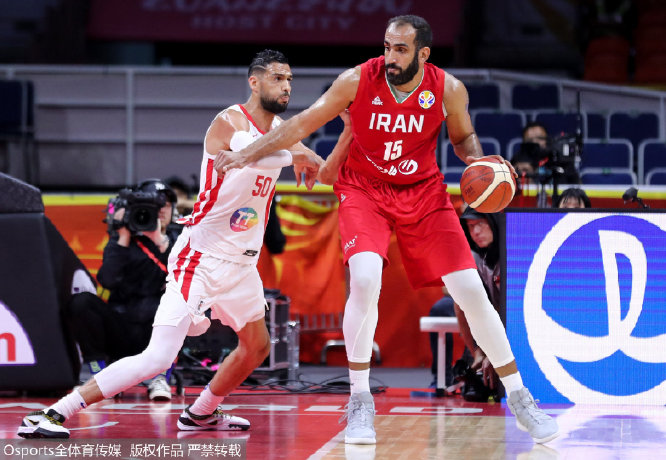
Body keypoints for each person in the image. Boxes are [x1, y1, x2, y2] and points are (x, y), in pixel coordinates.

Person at [214, 15, 560, 445]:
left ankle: (521, 397)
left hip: (424, 191)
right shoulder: (357, 79)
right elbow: (302, 123)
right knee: (364, 280)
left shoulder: (449, 89)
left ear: (423, 53)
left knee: (471, 289)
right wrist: (246, 155)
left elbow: (463, 138)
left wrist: (479, 161)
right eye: (386, 47)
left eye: (400, 49)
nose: (390, 56)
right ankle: (360, 401)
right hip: (365, 189)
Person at [17, 49, 323, 439]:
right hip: (202, 257)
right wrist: (295, 150)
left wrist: (341, 132)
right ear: (255, 81)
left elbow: (317, 164)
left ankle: (201, 413)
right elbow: (257, 157)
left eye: (290, 79)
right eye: (278, 78)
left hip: (242, 264)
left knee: (257, 346)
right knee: (157, 359)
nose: (286, 86)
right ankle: (53, 413)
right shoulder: (230, 122)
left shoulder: (281, 131)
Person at [66, 178, 180, 401]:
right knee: (81, 303)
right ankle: (100, 377)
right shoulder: (122, 240)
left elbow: (185, 276)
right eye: (154, 205)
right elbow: (107, 280)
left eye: (165, 204)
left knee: (183, 305)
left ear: (173, 209)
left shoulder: (180, 238)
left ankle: (160, 377)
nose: (160, 210)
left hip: (156, 329)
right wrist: (123, 237)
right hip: (121, 326)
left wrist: (159, 240)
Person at [454, 207, 505, 402]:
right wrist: (480, 351)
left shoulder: (510, 251)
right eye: (470, 226)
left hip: (516, 325)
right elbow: (471, 306)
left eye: (480, 225)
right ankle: (476, 357)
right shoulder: (473, 256)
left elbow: (513, 312)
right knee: (460, 300)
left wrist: (496, 353)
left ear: (493, 223)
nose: (475, 232)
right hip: (489, 324)